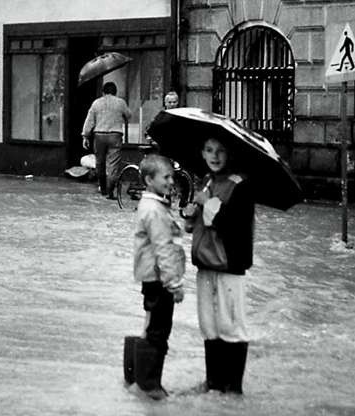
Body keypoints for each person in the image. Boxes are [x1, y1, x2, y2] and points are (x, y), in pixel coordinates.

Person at [182, 137, 254, 395]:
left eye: (221, 151)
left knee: (231, 324)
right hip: (205, 263)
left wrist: (206, 203)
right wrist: (191, 216)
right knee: (209, 323)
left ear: (230, 154)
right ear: (202, 153)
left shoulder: (241, 185)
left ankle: (233, 389)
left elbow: (233, 225)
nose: (215, 156)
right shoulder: (208, 180)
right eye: (210, 150)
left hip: (229, 264)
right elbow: (202, 223)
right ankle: (213, 383)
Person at [126, 154, 185, 400]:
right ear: (149, 180)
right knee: (158, 330)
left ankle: (134, 377)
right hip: (159, 279)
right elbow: (164, 248)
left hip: (152, 276)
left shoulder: (154, 205)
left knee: (150, 325)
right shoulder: (155, 210)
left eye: (172, 176)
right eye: (166, 177)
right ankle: (148, 385)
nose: (171, 181)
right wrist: (174, 284)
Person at [81, 81, 132, 199]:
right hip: (115, 135)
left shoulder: (96, 103)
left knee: (100, 162)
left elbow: (90, 121)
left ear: (103, 92)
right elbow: (129, 115)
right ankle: (110, 191)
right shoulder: (121, 103)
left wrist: (85, 136)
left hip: (99, 135)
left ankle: (102, 188)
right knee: (113, 164)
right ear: (115, 92)